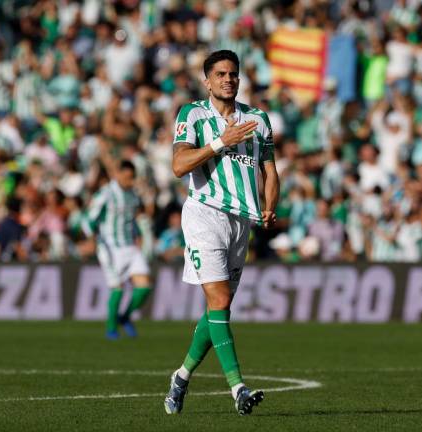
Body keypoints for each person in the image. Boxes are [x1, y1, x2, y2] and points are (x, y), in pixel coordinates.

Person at [165, 50, 280, 416]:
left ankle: (181, 378)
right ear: (207, 80)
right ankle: (238, 389)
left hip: (240, 222)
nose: (228, 79)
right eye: (220, 74)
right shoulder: (193, 114)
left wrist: (269, 204)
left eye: (233, 74)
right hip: (204, 216)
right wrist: (219, 143)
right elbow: (179, 165)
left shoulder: (258, 119)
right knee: (218, 299)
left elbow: (270, 169)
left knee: (221, 306)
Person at [82, 152, 152, 340]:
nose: (131, 181)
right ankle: (111, 328)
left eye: (132, 177)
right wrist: (92, 238)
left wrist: (138, 234)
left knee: (144, 287)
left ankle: (125, 317)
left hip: (130, 245)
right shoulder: (106, 194)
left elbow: (133, 219)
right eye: (128, 177)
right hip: (110, 247)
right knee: (118, 288)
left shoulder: (132, 195)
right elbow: (88, 219)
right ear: (118, 174)